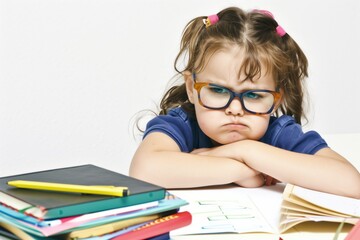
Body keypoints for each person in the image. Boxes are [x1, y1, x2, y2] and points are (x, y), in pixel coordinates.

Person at [129, 7, 360, 198]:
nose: (235, 110)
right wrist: (240, 171)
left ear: (276, 98)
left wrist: (246, 150)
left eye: (254, 95)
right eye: (218, 91)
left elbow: (351, 183)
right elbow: (144, 171)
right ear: (191, 88)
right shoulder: (182, 124)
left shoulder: (277, 133)